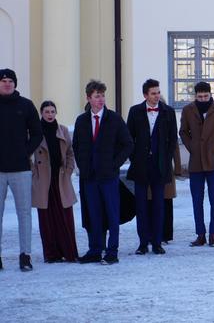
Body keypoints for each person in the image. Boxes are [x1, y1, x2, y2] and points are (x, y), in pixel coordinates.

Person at [73, 80, 133, 265]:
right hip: (89, 177)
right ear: (88, 98)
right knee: (94, 214)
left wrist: (114, 164)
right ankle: (95, 249)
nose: (101, 100)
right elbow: (77, 146)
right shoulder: (82, 121)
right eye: (97, 96)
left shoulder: (114, 119)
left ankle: (112, 251)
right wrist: (84, 166)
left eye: (103, 96)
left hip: (108, 177)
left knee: (112, 214)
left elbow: (128, 144)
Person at [126, 79, 178, 255]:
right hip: (140, 166)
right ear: (145, 95)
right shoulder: (135, 111)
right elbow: (128, 138)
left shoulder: (168, 112)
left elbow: (172, 140)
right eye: (153, 93)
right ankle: (142, 243)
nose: (157, 96)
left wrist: (166, 158)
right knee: (140, 206)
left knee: (158, 205)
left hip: (160, 166)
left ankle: (157, 242)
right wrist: (135, 158)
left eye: (158, 92)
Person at [179, 81, 214, 248]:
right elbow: (183, 131)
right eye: (199, 96)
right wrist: (192, 147)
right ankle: (200, 234)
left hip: (213, 162)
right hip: (196, 162)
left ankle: (213, 235)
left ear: (210, 94)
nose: (203, 99)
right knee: (197, 200)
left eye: (206, 96)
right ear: (195, 96)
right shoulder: (188, 110)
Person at [0, 69, 42, 271]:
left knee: (24, 213)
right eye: (3, 81)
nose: (7, 84)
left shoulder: (26, 105)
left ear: (15, 84)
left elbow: (37, 133)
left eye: (10, 81)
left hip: (21, 169)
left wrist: (25, 152)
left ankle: (25, 255)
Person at [32, 101, 78, 263]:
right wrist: (34, 174)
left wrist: (69, 170)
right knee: (46, 219)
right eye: (47, 112)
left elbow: (71, 153)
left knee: (65, 217)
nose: (50, 115)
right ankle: (52, 254)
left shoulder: (63, 131)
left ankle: (69, 252)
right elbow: (28, 155)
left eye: (52, 111)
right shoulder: (35, 131)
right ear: (41, 113)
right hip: (43, 181)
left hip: (61, 179)